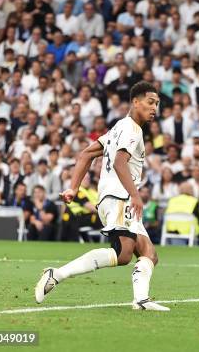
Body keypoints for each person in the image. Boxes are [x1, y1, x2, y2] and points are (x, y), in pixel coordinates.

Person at [34, 81, 169, 311]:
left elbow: (87, 154)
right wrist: (135, 195)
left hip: (115, 197)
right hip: (119, 197)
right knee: (123, 253)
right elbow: (119, 162)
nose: (154, 107)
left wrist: (73, 188)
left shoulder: (118, 127)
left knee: (149, 253)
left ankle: (141, 300)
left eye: (156, 103)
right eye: (150, 102)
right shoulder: (131, 129)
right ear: (135, 102)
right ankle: (56, 274)